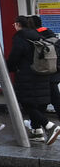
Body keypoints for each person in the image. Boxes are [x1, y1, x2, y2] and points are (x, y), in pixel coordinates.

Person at [10, 15, 60, 144]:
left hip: (27, 75)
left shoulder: (20, 37)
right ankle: (37, 132)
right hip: (42, 73)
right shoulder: (37, 35)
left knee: (25, 102)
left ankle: (49, 126)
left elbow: (15, 56)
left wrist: (8, 67)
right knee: (36, 103)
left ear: (17, 24)